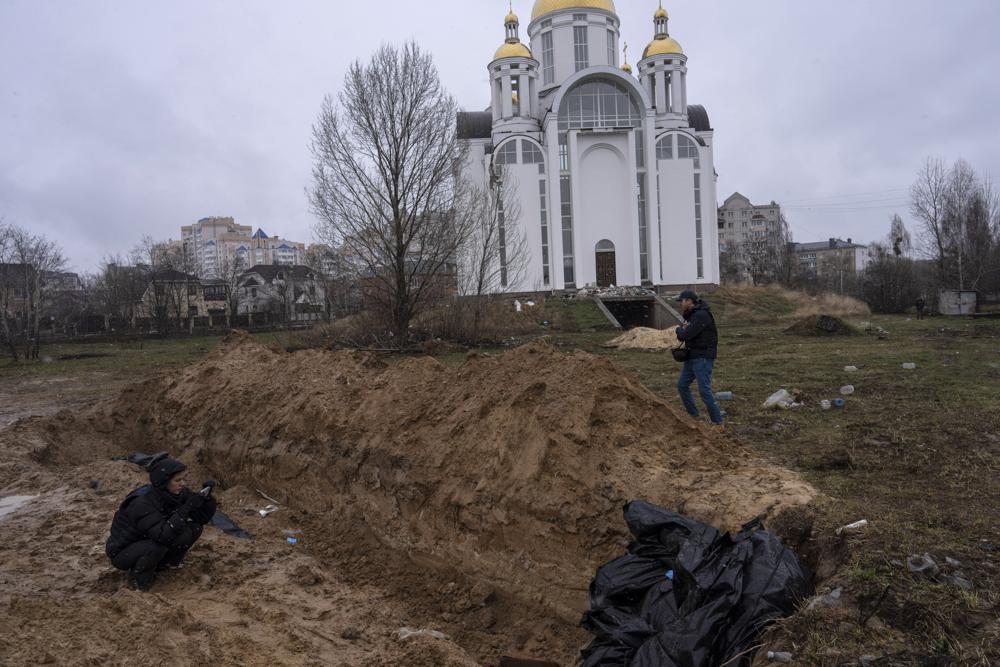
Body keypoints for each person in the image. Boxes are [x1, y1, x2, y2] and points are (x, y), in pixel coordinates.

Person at [105, 456, 217, 591]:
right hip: (123, 552)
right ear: (164, 482)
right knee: (156, 547)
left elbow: (202, 518)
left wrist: (207, 499)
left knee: (193, 528)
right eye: (177, 480)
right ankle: (138, 584)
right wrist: (186, 508)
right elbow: (162, 535)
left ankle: (164, 566)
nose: (182, 483)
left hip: (150, 540)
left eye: (182, 479)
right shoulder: (141, 503)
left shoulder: (177, 493)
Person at [675, 289, 723, 426]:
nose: (680, 304)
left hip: (703, 357)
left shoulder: (701, 315)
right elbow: (683, 335)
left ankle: (718, 422)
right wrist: (682, 331)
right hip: (692, 356)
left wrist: (678, 329)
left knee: (704, 390)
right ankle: (693, 415)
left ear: (689, 301)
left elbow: (685, 334)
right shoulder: (691, 315)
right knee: (682, 385)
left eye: (682, 301)